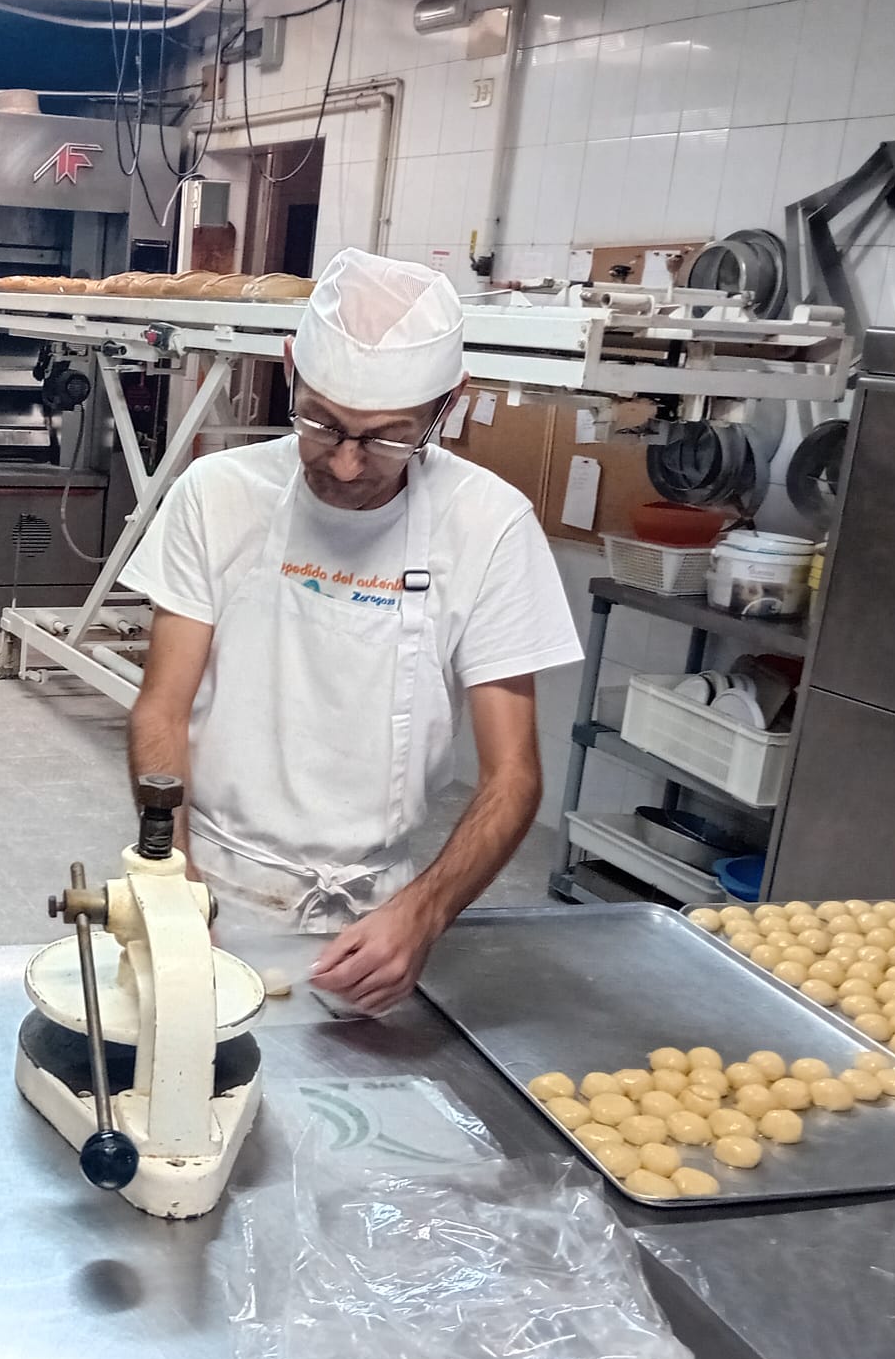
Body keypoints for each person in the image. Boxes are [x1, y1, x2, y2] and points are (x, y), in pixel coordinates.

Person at [124, 247, 583, 1014]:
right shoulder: (217, 496)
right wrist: (171, 872)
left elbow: (513, 777)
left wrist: (426, 910)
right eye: (321, 423)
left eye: (387, 438)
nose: (343, 465)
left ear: (449, 405)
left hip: (378, 919)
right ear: (290, 368)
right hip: (212, 885)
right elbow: (160, 711)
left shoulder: (489, 526)